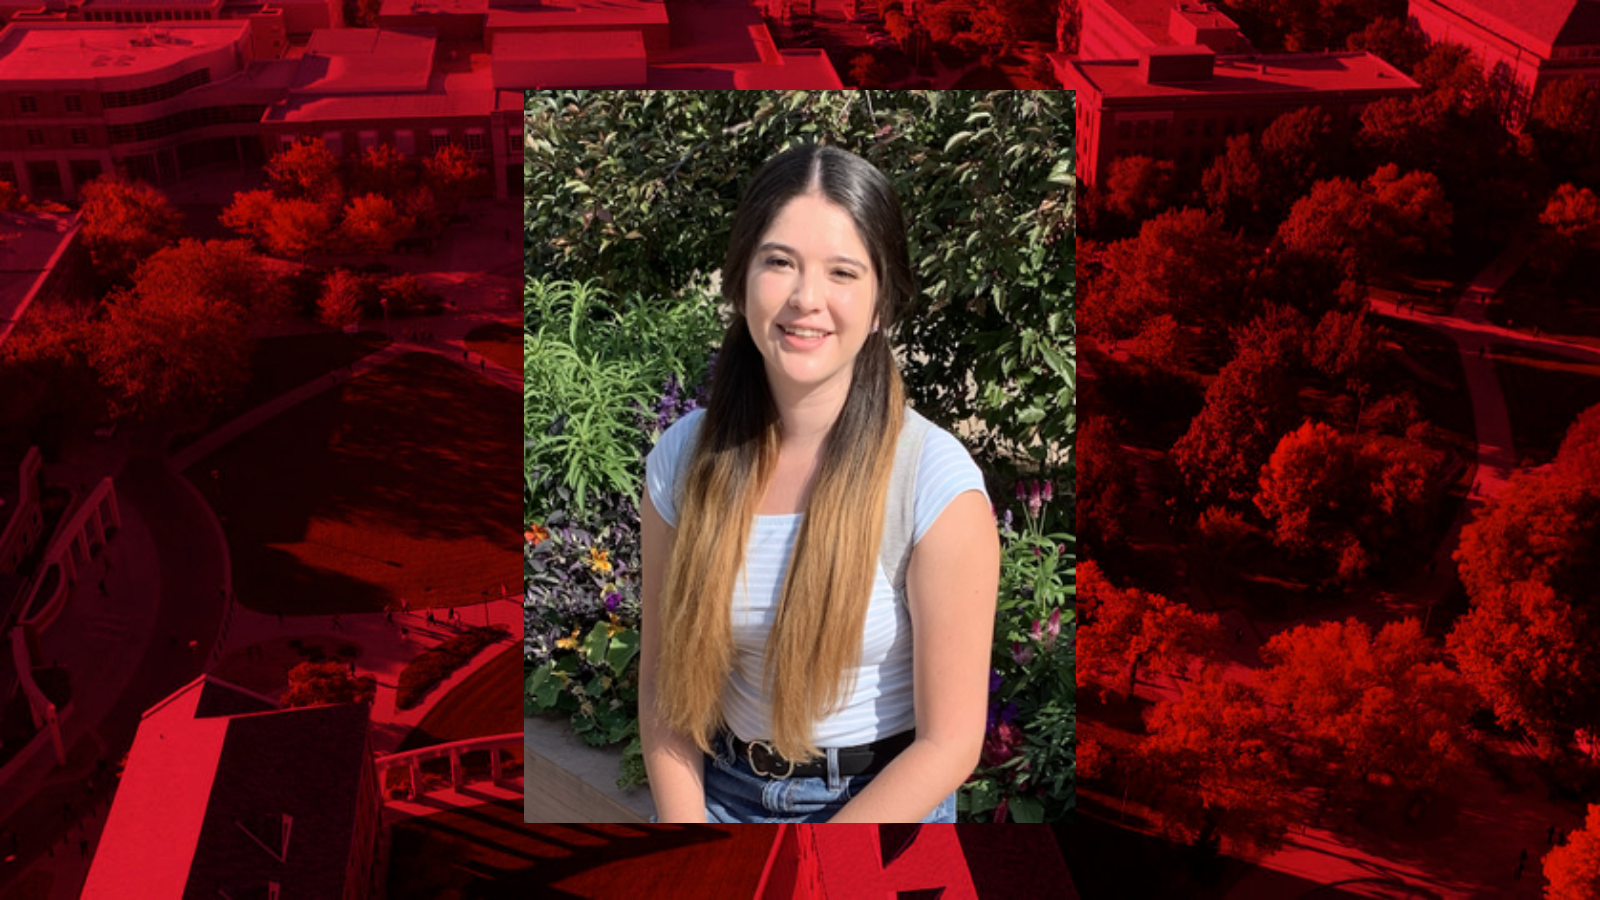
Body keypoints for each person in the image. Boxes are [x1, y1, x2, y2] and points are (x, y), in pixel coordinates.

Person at [640, 145, 1000, 824]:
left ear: (880, 305)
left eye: (842, 272)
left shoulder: (934, 484)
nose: (806, 299)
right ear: (741, 279)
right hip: (719, 793)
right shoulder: (682, 460)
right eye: (779, 262)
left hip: (879, 807)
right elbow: (664, 689)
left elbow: (950, 744)